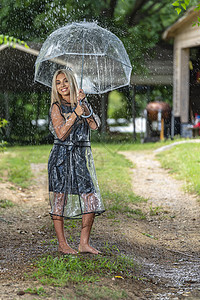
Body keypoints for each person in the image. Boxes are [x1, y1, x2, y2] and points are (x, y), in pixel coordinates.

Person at [48, 68, 105, 255]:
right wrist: (74, 114)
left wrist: (84, 106)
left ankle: (84, 243)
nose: (62, 85)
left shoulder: (82, 102)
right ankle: (63, 244)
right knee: (60, 199)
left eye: (65, 81)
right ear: (55, 87)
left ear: (72, 82)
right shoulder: (56, 107)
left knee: (90, 198)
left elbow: (95, 125)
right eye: (58, 82)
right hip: (61, 157)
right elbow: (61, 134)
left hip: (80, 157)